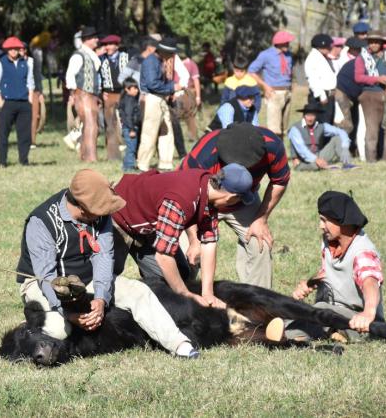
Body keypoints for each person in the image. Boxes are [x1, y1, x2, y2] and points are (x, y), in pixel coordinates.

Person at [16, 169, 200, 359]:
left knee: (138, 292)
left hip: (85, 277)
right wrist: (69, 314)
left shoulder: (99, 213)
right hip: (42, 284)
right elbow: (46, 277)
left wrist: (101, 298)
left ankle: (180, 345)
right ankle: (32, 323)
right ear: (82, 208)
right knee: (59, 329)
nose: (104, 214)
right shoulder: (41, 222)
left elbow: (103, 256)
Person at [112, 165, 256, 308]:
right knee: (104, 281)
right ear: (232, 197)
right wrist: (184, 294)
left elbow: (209, 242)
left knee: (178, 276)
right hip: (119, 216)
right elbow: (164, 256)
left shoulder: (207, 190)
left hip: (147, 225)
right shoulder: (180, 200)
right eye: (239, 201)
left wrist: (208, 293)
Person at [181, 123, 291, 288]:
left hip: (244, 199)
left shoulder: (272, 146)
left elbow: (280, 181)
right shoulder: (205, 153)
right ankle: (181, 298)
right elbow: (184, 194)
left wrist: (261, 219)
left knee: (260, 243)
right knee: (184, 252)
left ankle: (256, 303)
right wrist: (193, 239)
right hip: (199, 201)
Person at [288, 191, 386, 342]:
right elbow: (328, 272)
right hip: (334, 310)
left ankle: (289, 335)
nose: (320, 226)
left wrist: (368, 313)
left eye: (324, 220)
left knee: (319, 311)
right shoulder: (329, 241)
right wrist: (310, 283)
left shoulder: (362, 252)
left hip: (359, 318)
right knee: (296, 310)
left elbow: (370, 281)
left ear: (342, 221)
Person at [354, 32, 386, 162]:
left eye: (376, 41)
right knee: (372, 128)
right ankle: (371, 158)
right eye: (371, 41)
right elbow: (358, 77)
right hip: (369, 94)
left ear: (381, 42)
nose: (374, 44)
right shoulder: (361, 57)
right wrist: (377, 79)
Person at [137, 38, 182, 171]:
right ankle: (143, 164)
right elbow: (152, 84)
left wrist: (171, 87)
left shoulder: (158, 60)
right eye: (171, 53)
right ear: (164, 51)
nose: (173, 56)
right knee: (149, 132)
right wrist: (173, 87)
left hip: (159, 99)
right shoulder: (151, 62)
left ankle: (165, 163)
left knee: (167, 131)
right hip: (152, 99)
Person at [0, 36, 34, 167]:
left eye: (16, 48)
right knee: (3, 133)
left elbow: (30, 82)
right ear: (7, 50)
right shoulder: (0, 63)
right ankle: (2, 162)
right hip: (7, 102)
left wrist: (30, 99)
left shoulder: (25, 63)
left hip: (24, 102)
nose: (14, 51)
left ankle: (24, 160)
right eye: (11, 49)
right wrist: (0, 102)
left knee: (25, 134)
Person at [65, 26, 102, 162]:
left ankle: (85, 155)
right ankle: (90, 157)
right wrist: (74, 94)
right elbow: (70, 75)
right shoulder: (78, 55)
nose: (97, 40)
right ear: (87, 40)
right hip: (83, 94)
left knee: (91, 125)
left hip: (91, 95)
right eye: (94, 37)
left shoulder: (91, 54)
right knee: (91, 125)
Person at [249, 30, 295, 139]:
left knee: (284, 128)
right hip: (274, 93)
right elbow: (251, 71)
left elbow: (290, 71)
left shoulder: (289, 55)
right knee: (274, 129)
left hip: (287, 92)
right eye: (286, 42)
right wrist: (265, 86)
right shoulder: (266, 55)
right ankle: (273, 153)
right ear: (278, 43)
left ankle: (281, 152)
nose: (288, 44)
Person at [287, 102, 355, 171]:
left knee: (337, 139)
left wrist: (345, 147)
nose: (310, 118)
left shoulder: (321, 126)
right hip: (303, 160)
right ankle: (324, 166)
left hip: (318, 156)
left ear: (316, 116)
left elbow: (341, 132)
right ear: (304, 116)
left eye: (312, 115)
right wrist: (316, 160)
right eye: (308, 115)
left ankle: (346, 164)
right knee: (314, 166)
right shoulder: (295, 129)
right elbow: (302, 150)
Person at [98, 34, 128, 161]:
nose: (107, 47)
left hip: (123, 93)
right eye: (105, 44)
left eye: (110, 44)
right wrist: (100, 92)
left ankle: (130, 152)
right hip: (108, 93)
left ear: (117, 46)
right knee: (110, 123)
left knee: (127, 121)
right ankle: (113, 155)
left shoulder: (126, 57)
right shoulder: (100, 59)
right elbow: (97, 76)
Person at [334, 38, 366, 137]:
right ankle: (338, 145)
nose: (359, 51)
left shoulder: (361, 60)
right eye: (356, 49)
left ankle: (351, 146)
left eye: (360, 49)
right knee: (346, 124)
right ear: (351, 48)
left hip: (354, 95)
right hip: (343, 92)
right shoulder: (342, 59)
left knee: (355, 121)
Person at [304, 33, 337, 124]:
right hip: (321, 97)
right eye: (328, 46)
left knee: (328, 123)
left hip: (328, 95)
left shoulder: (323, 57)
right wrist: (321, 95)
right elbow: (313, 79)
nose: (330, 48)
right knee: (322, 123)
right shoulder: (313, 58)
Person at [118, 77, 142, 173]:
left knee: (130, 147)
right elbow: (128, 116)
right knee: (131, 148)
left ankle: (126, 164)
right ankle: (129, 166)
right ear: (127, 89)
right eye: (134, 88)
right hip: (130, 128)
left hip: (129, 127)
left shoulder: (129, 99)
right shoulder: (129, 100)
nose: (136, 90)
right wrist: (132, 129)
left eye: (137, 88)